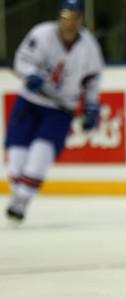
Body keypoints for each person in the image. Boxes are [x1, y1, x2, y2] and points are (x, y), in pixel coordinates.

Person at [4, 0, 104, 223]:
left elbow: (92, 80)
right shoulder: (41, 34)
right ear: (59, 16)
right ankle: (19, 195)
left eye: (74, 17)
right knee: (16, 162)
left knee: (41, 154)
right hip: (30, 102)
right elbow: (22, 60)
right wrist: (30, 76)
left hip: (60, 109)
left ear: (80, 18)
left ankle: (21, 201)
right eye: (66, 16)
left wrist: (91, 106)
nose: (69, 22)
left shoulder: (89, 47)